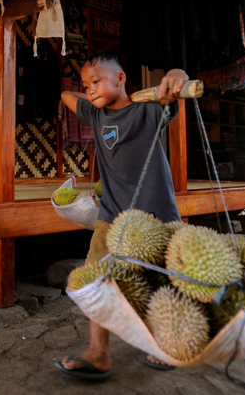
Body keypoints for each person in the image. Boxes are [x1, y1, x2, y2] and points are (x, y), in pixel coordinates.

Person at [56, 50, 188, 380]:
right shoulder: (95, 115)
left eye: (96, 81)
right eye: (86, 84)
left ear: (121, 78)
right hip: (112, 213)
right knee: (95, 279)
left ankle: (164, 343)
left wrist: (174, 74)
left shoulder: (147, 110)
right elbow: (65, 95)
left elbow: (178, 86)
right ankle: (98, 352)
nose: (89, 89)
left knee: (158, 283)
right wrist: (90, 90)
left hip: (155, 212)